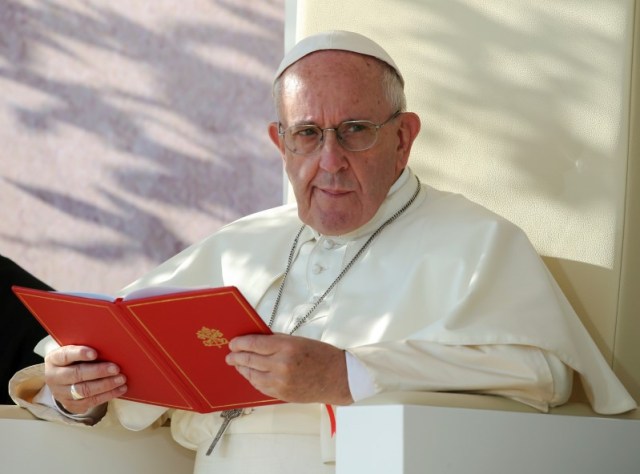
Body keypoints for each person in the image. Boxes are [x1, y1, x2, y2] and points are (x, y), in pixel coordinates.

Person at [9, 30, 636, 473]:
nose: (330, 161)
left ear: (404, 136)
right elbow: (119, 378)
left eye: (356, 130)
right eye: (308, 134)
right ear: (281, 142)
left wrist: (350, 375)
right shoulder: (240, 244)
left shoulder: (475, 241)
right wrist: (75, 393)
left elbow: (540, 373)